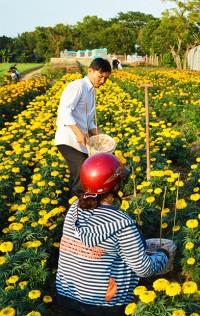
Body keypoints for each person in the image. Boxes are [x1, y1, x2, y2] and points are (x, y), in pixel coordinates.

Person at [56, 153, 172, 316]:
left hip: (68, 296)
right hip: (105, 305)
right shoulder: (122, 224)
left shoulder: (75, 209)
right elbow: (144, 268)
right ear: (115, 185)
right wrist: (164, 254)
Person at [54, 57, 111, 196]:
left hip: (80, 141)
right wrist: (78, 132)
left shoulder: (91, 91)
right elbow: (64, 111)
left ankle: (89, 202)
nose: (102, 81)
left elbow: (88, 121)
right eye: (100, 76)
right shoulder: (78, 86)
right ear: (90, 71)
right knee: (82, 169)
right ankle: (79, 208)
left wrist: (98, 134)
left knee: (91, 170)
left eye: (106, 78)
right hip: (68, 139)